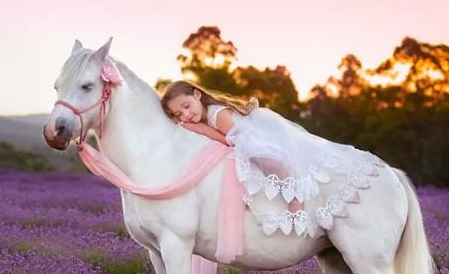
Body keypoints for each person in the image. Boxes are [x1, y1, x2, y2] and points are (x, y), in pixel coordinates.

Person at [160, 81, 382, 237]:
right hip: (242, 137)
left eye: (186, 107)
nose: (186, 115)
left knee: (269, 163)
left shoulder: (218, 115)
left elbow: (232, 140)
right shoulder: (206, 115)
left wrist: (202, 130)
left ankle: (295, 199)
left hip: (252, 138)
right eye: (179, 115)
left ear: (197, 94)